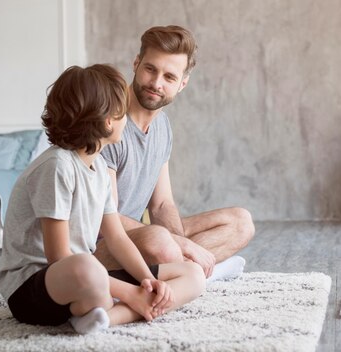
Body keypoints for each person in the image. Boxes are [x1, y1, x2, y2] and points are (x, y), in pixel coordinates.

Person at [0, 64, 205, 335]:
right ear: (108, 121)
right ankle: (110, 306)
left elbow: (117, 239)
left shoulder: (99, 172)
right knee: (88, 267)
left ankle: (105, 318)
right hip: (34, 288)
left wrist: (148, 281)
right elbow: (58, 257)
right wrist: (130, 292)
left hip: (82, 278)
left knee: (192, 275)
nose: (127, 119)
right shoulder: (58, 166)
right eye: (123, 113)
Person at [98, 25, 255, 281]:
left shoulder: (162, 126)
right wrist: (179, 245)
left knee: (240, 222)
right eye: (150, 69)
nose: (156, 83)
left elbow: (161, 204)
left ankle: (185, 270)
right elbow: (106, 220)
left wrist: (181, 243)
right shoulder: (108, 121)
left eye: (169, 77)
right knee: (160, 241)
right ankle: (193, 273)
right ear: (136, 63)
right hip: (103, 245)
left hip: (141, 235)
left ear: (182, 84)